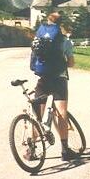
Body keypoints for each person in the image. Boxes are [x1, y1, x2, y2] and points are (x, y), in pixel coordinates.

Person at [33, 12, 78, 162]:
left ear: (48, 21)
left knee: (38, 115)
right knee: (61, 112)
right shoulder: (65, 41)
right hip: (59, 78)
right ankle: (65, 150)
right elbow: (71, 63)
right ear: (61, 24)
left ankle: (32, 149)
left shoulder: (38, 36)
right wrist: (64, 63)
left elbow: (34, 59)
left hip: (43, 78)